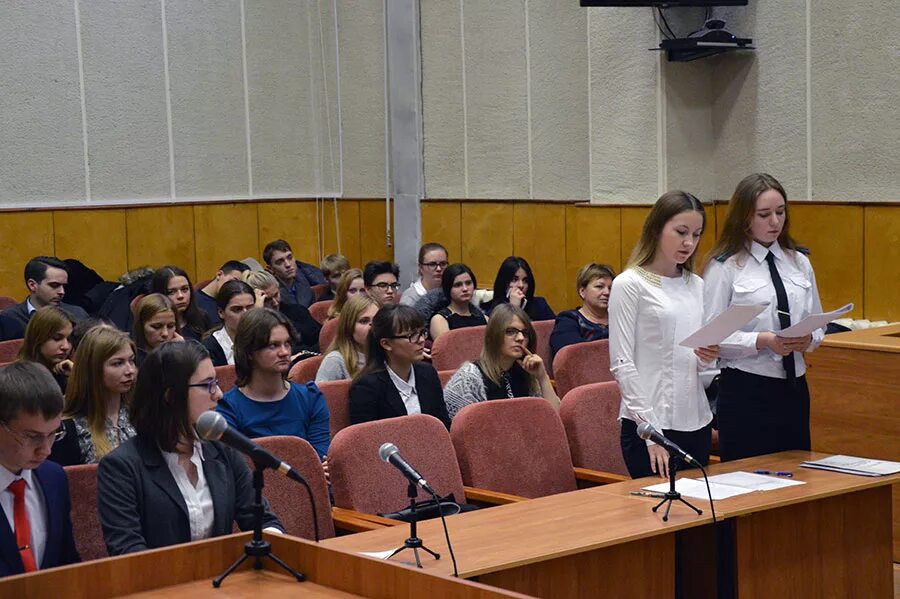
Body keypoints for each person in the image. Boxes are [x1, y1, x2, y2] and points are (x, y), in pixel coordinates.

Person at [97, 341, 283, 556]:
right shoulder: (121, 467)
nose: (219, 394)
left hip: (223, 581)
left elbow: (264, 521)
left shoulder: (223, 451)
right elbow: (127, 551)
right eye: (207, 385)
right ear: (170, 396)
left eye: (217, 382)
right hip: (161, 586)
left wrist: (272, 543)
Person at [703, 173, 825, 462]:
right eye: (764, 214)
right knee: (750, 481)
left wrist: (809, 338)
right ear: (744, 217)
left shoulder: (798, 262)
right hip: (748, 389)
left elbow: (818, 321)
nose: (775, 222)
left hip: (794, 387)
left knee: (798, 474)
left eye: (780, 212)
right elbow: (709, 338)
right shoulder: (727, 266)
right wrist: (762, 340)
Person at [608, 191, 718, 479]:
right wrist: (651, 431)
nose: (689, 243)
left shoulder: (696, 285)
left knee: (698, 517)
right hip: (650, 425)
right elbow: (622, 363)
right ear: (657, 228)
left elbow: (695, 362)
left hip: (696, 420)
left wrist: (707, 357)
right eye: (681, 232)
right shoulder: (629, 284)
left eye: (696, 234)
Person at [0, 361, 80, 576]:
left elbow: (66, 562)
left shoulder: (54, 477)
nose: (46, 450)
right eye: (33, 437)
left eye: (54, 434)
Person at [216, 309, 330, 459]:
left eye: (287, 344)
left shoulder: (310, 398)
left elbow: (319, 460)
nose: (284, 352)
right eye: (273, 345)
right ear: (249, 352)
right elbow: (239, 469)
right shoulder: (228, 408)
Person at [443, 304, 559, 420]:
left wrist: (543, 377)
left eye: (525, 332)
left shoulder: (528, 372)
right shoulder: (469, 377)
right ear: (493, 336)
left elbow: (554, 420)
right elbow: (462, 429)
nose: (520, 338)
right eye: (510, 331)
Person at [348, 304, 450, 428]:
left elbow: (443, 426)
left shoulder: (427, 373)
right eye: (411, 335)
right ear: (386, 344)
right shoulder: (366, 387)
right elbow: (368, 439)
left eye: (422, 332)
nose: (421, 340)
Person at [48, 327, 137, 466]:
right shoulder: (66, 430)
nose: (130, 371)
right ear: (93, 369)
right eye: (118, 363)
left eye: (131, 361)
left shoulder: (141, 415)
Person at [1, 256, 88, 340]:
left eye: (64, 286)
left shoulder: (78, 314)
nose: (62, 292)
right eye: (54, 285)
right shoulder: (8, 319)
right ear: (32, 285)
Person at [242, 271, 320, 353]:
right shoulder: (252, 327)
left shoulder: (298, 311)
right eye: (267, 300)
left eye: (276, 295)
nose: (275, 303)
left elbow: (322, 339)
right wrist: (257, 313)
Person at [549, 263, 616, 360]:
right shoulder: (569, 319)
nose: (607, 292)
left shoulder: (619, 319)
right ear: (582, 291)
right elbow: (573, 355)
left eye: (610, 288)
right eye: (599, 286)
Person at [316, 295, 378, 383]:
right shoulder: (334, 361)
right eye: (364, 321)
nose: (372, 327)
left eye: (376, 320)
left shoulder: (387, 355)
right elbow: (321, 395)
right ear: (349, 326)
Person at [16, 306, 75, 393]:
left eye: (69, 339)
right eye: (56, 338)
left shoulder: (67, 372)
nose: (66, 346)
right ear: (37, 338)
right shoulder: (17, 380)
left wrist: (76, 378)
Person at [481, 256, 555, 321]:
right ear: (504, 282)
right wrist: (514, 308)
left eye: (525, 280)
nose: (521, 285)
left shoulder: (540, 305)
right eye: (514, 279)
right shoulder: (491, 310)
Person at [202, 280, 256, 367]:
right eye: (237, 309)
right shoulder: (209, 348)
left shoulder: (265, 338)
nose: (245, 314)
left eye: (250, 308)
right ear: (221, 312)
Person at [428, 263, 487, 342]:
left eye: (468, 283)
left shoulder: (485, 318)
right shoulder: (439, 320)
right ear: (448, 289)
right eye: (458, 285)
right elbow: (447, 351)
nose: (465, 289)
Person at [151, 266, 210, 341]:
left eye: (185, 289)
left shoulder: (202, 318)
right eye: (171, 292)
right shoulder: (151, 325)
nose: (180, 296)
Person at [262, 239, 326, 308]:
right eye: (280, 262)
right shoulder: (272, 293)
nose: (288, 264)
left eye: (290, 258)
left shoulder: (305, 281)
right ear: (271, 269)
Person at [132, 294, 182, 367]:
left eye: (170, 326)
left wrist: (183, 354)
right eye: (157, 327)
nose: (165, 333)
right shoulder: (130, 360)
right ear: (141, 326)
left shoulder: (183, 353)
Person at [195, 261, 251, 326]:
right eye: (233, 281)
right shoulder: (194, 301)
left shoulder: (234, 302)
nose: (235, 287)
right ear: (219, 275)